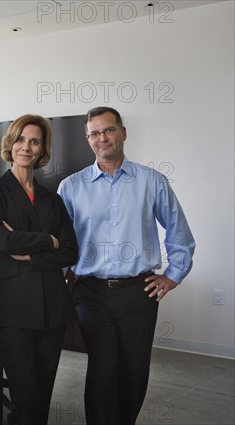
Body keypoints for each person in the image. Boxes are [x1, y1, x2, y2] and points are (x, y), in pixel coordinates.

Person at [57, 106, 196, 425]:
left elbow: (179, 231)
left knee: (134, 369)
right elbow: (60, 242)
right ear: (87, 139)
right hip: (91, 293)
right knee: (103, 369)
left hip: (139, 291)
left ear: (123, 133)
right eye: (94, 133)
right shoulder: (71, 187)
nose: (101, 138)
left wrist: (172, 276)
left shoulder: (152, 181)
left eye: (108, 130)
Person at [0, 114, 79, 425]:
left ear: (42, 149)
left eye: (34, 141)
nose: (26, 146)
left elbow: (71, 250)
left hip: (52, 306)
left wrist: (33, 255)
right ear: (10, 144)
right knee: (25, 393)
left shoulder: (53, 198)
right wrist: (49, 240)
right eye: (20, 139)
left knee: (43, 393)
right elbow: (4, 241)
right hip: (10, 306)